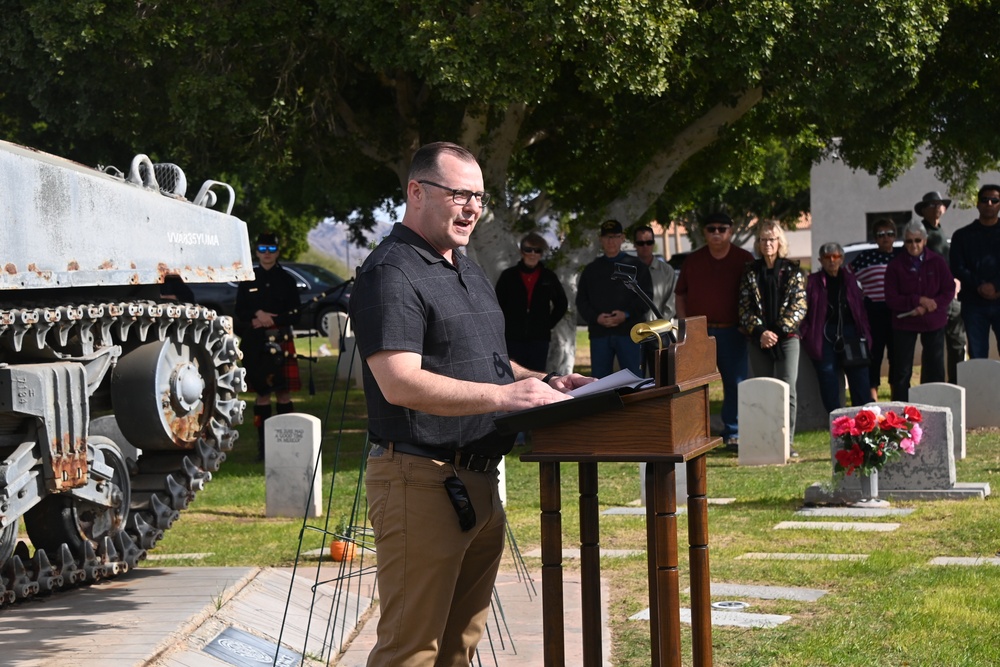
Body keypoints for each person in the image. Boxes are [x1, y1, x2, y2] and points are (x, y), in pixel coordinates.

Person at [349, 142, 593, 667]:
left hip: (479, 481)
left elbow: (486, 362)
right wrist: (507, 396)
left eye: (479, 197)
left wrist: (547, 380)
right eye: (459, 193)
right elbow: (399, 382)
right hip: (421, 481)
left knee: (458, 649)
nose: (472, 208)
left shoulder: (466, 266)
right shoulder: (391, 272)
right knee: (410, 652)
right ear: (416, 192)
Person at [675, 212, 754, 450]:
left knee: (735, 383)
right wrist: (685, 325)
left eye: (722, 228)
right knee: (695, 385)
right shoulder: (693, 260)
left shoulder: (744, 259)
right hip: (699, 333)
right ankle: (696, 432)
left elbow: (753, 294)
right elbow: (680, 294)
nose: (717, 233)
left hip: (733, 332)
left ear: (731, 232)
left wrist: (747, 323)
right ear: (704, 232)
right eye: (712, 229)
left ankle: (733, 432)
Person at [737, 221, 807, 455]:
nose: (768, 244)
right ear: (758, 243)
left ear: (780, 242)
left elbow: (799, 307)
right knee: (763, 389)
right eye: (764, 239)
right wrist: (761, 333)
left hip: (787, 337)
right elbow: (744, 309)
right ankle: (766, 440)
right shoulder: (750, 271)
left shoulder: (794, 270)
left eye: (772, 239)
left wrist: (776, 332)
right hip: (759, 338)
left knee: (788, 387)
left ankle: (787, 442)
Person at [234, 232, 302, 461]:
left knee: (283, 393)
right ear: (256, 252)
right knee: (262, 395)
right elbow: (238, 314)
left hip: (280, 338)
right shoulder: (247, 279)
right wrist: (256, 315)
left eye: (271, 250)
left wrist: (275, 320)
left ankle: (286, 447)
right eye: (262, 249)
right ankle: (263, 449)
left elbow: (296, 314)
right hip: (254, 344)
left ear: (278, 252)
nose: (267, 254)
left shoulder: (287, 280)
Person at [884, 221, 956, 401]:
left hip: (933, 320)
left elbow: (949, 289)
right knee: (902, 370)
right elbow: (891, 298)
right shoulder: (895, 265)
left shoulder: (937, 261)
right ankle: (900, 413)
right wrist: (917, 301)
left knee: (935, 367)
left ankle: (935, 405)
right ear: (904, 242)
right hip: (905, 321)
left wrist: (931, 304)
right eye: (909, 241)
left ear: (924, 241)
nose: (913, 245)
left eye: (917, 240)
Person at [800, 242, 872, 413]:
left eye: (836, 256)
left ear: (842, 259)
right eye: (827, 257)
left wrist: (865, 333)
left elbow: (860, 310)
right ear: (820, 260)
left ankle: (863, 419)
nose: (832, 261)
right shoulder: (812, 282)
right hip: (823, 333)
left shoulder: (851, 280)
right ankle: (836, 420)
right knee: (827, 375)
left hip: (851, 332)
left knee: (859, 376)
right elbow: (803, 310)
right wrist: (806, 333)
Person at [576, 219, 652, 378]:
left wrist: (626, 314)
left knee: (634, 380)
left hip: (630, 333)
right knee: (599, 383)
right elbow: (582, 301)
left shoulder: (636, 266)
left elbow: (646, 298)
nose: (611, 241)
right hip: (600, 334)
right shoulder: (591, 269)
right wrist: (596, 318)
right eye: (607, 237)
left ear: (622, 238)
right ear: (601, 239)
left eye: (615, 236)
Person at [494, 232, 568, 372]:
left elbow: (562, 303)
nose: (532, 254)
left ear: (541, 253)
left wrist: (547, 324)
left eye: (537, 250)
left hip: (539, 338)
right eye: (528, 250)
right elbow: (497, 304)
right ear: (522, 251)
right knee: (513, 376)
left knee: (537, 376)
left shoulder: (548, 276)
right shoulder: (508, 276)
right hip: (512, 337)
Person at [849, 218, 901, 400]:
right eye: (881, 235)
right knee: (874, 355)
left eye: (889, 234)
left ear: (895, 236)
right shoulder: (865, 257)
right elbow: (847, 278)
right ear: (875, 238)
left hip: (897, 312)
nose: (885, 238)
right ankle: (872, 398)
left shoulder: (901, 256)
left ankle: (898, 397)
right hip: (873, 311)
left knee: (897, 355)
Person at [950, 184, 1000, 359]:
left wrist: (995, 285)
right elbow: (957, 267)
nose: (989, 203)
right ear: (977, 204)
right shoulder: (962, 236)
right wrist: (979, 286)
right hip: (974, 304)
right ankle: (981, 388)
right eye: (985, 199)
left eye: (994, 200)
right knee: (978, 355)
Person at [632, 225, 676, 321]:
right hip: (632, 330)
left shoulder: (666, 271)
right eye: (641, 243)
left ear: (653, 243)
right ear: (634, 244)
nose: (645, 246)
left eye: (649, 242)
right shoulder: (628, 270)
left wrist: (661, 324)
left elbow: (672, 302)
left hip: (660, 330)